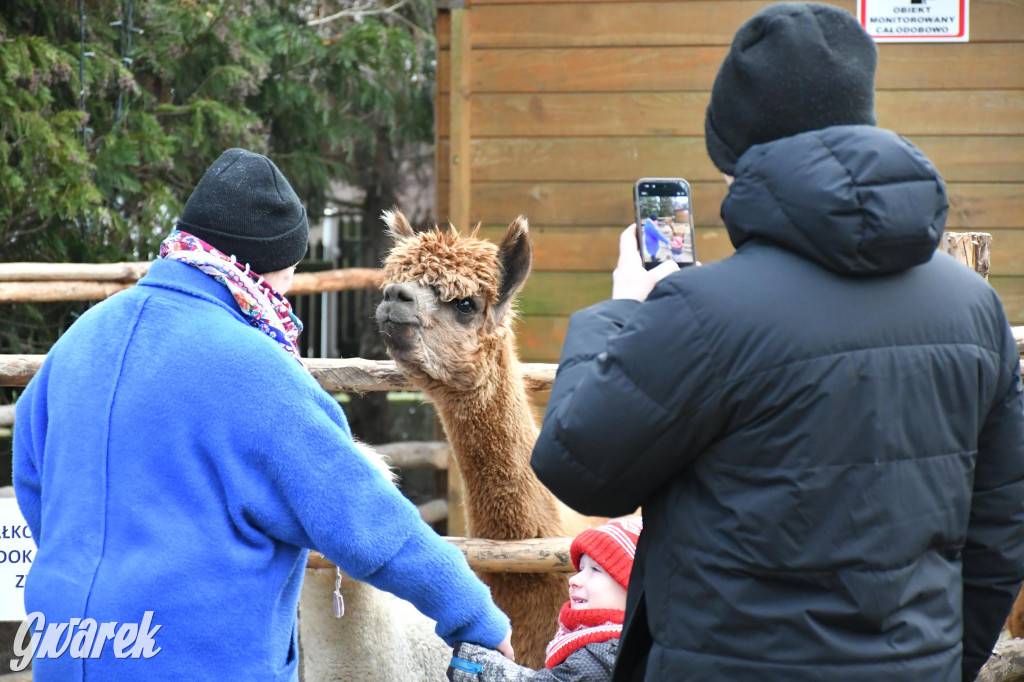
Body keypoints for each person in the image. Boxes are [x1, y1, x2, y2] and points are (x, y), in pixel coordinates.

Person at [530, 4, 1024, 682]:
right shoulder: (975, 309)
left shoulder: (702, 313)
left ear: (737, 152)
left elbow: (577, 465)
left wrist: (622, 312)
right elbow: (1000, 532)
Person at [13, 148, 512, 680]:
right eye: (291, 271)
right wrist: (475, 615)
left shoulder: (79, 343)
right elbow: (363, 516)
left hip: (66, 650)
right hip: (197, 659)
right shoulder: (257, 372)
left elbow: (32, 484)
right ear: (270, 264)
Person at [447, 518, 642, 682]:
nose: (574, 580)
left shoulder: (607, 653)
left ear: (631, 585)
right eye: (581, 569)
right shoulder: (611, 642)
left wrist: (478, 666)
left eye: (596, 570)